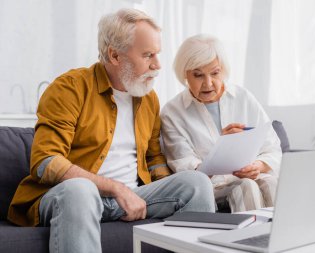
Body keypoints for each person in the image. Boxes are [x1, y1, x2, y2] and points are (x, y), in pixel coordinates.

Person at [8, 9, 215, 253]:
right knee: (80, 190)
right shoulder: (70, 88)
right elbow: (45, 162)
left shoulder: (148, 98)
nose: (157, 65)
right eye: (147, 55)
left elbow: (153, 159)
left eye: (157, 54)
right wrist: (116, 188)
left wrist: (167, 182)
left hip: (134, 197)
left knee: (197, 184)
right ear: (115, 56)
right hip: (72, 198)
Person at [161, 34, 282, 212]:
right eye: (198, 75)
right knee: (245, 187)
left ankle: (284, 239)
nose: (208, 83)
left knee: (271, 182)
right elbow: (186, 173)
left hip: (252, 179)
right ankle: (250, 240)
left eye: (215, 73)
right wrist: (222, 149)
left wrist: (257, 166)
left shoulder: (243, 98)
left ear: (223, 70)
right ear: (184, 74)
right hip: (212, 189)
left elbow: (272, 148)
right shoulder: (172, 113)